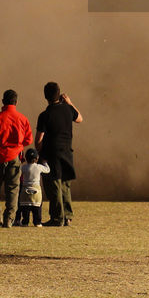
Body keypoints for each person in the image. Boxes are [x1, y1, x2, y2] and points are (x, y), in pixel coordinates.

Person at [0, 89, 32, 228]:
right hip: (15, 157)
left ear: (3, 101)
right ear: (16, 102)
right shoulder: (22, 119)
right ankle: (9, 219)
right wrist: (17, 146)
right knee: (13, 189)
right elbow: (28, 139)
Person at [35, 81, 83, 227]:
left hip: (51, 154)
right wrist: (70, 102)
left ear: (45, 96)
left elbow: (39, 139)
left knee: (53, 184)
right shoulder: (68, 110)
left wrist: (39, 153)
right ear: (59, 94)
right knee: (65, 184)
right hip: (67, 152)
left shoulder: (45, 115)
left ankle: (57, 218)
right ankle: (67, 216)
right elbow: (80, 118)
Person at [14, 148, 51, 227]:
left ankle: (25, 222)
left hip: (25, 190)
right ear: (37, 158)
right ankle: (37, 222)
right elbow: (48, 170)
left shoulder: (23, 167)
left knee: (25, 207)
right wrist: (45, 162)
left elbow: (17, 173)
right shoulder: (39, 167)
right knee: (37, 207)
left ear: (26, 158)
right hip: (36, 190)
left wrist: (20, 163)